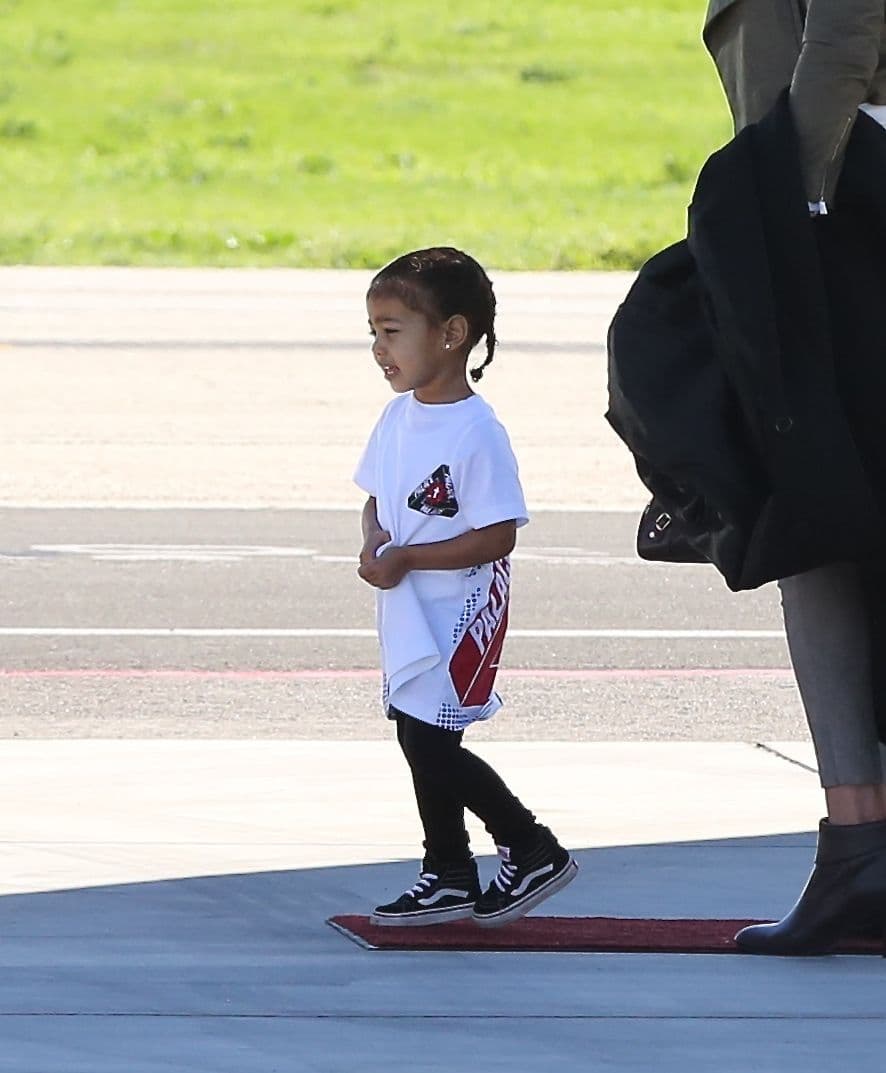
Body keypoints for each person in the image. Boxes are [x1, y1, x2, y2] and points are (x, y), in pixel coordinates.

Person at [704, 0, 886, 954]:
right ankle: (859, 852)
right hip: (830, 194)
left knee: (814, 516)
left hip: (844, 203)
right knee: (821, 519)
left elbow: (850, 28)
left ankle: (861, 852)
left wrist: (790, 198)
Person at [353, 246, 577, 928]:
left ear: (451, 334)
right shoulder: (397, 418)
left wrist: (410, 558)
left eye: (392, 332)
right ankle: (449, 868)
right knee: (414, 732)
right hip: (409, 602)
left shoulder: (477, 431)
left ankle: (530, 843)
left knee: (431, 739)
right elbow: (375, 497)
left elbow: (497, 534)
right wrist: (373, 542)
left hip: (460, 609)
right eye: (373, 333)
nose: (378, 349)